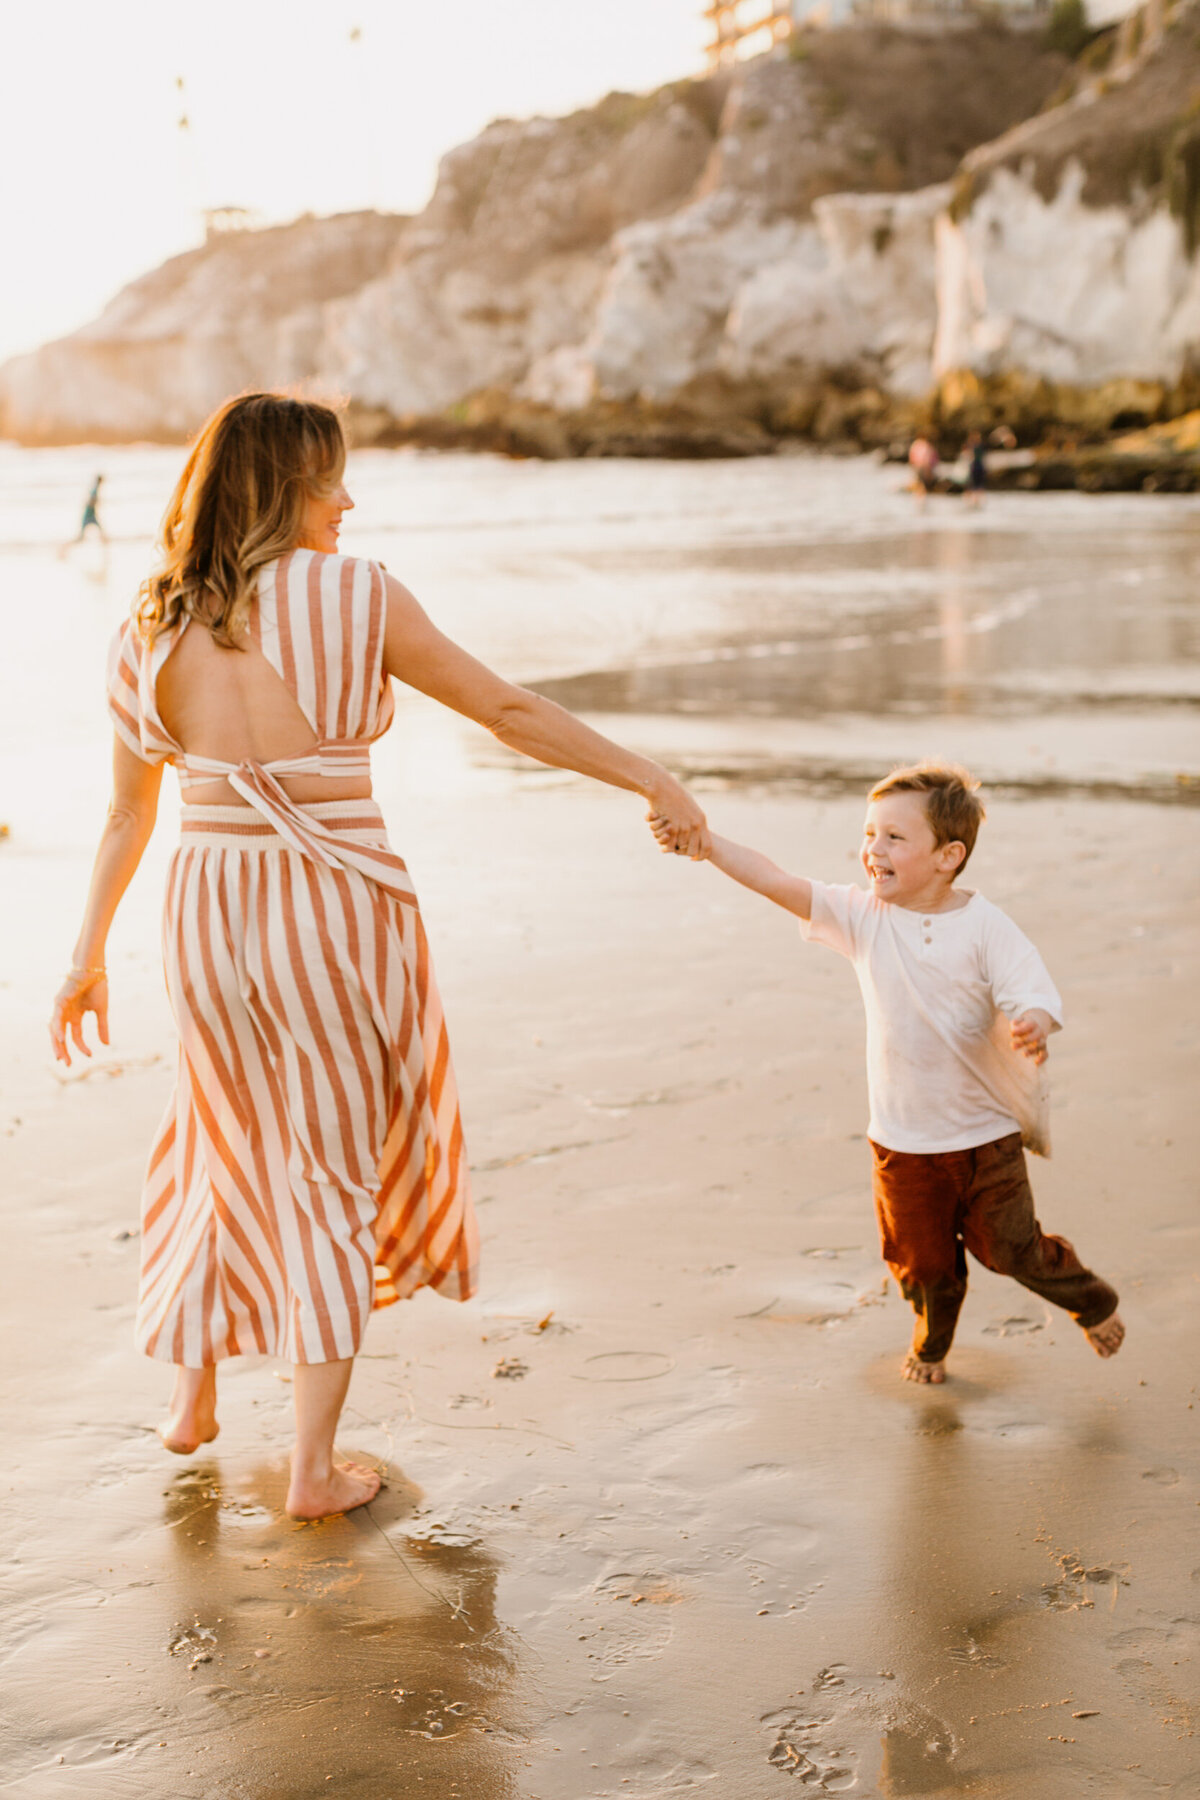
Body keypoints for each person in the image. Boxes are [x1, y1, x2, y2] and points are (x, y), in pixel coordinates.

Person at [49, 392, 709, 1520]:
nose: (347, 501)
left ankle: (191, 1399)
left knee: (214, 1132)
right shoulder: (353, 595)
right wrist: (652, 777)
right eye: (328, 482)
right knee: (329, 1172)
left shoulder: (150, 621)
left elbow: (124, 816)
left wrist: (85, 957)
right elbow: (506, 709)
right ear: (280, 488)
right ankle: (311, 1471)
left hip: (204, 913)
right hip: (328, 910)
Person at [654, 762, 1124, 1385]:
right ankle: (933, 1343)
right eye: (870, 834)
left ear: (948, 856)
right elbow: (773, 879)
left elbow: (1027, 987)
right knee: (921, 1266)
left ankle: (1092, 1302)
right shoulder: (863, 917)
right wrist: (707, 843)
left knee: (1013, 1252)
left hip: (986, 1141)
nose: (873, 850)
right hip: (903, 1146)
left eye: (895, 838)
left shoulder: (986, 925)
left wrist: (1032, 1021)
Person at [907, 436, 939, 510]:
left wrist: (913, 466)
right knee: (922, 485)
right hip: (925, 468)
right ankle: (921, 501)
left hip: (918, 467)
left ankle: (918, 501)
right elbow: (934, 459)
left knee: (920, 485)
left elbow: (911, 457)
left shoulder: (916, 444)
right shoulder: (928, 446)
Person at [962, 433, 988, 509]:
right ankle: (977, 502)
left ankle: (973, 502)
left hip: (974, 468)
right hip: (979, 468)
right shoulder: (981, 447)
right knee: (978, 486)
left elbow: (968, 457)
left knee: (973, 486)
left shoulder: (972, 447)